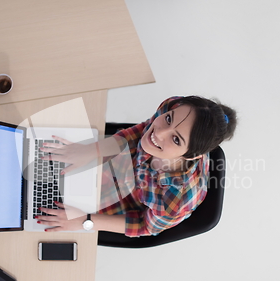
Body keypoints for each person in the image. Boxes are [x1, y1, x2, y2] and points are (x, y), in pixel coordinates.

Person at [35, 96, 237, 237]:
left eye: (175, 139)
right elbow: (141, 131)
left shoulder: (178, 197)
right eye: (168, 120)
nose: (159, 133)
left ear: (193, 156)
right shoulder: (175, 105)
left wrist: (83, 221)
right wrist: (89, 151)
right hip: (112, 161)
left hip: (110, 204)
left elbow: (143, 225)